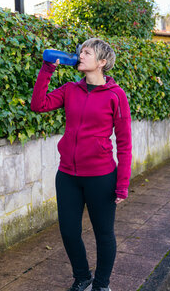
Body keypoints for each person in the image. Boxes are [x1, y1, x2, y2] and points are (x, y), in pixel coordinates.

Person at [31, 38, 132, 291]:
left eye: (87, 52)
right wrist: (47, 70)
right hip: (67, 175)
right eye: (81, 51)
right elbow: (38, 105)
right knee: (68, 231)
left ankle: (101, 284)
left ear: (102, 62)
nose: (81, 55)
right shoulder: (69, 90)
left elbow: (125, 143)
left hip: (101, 176)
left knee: (104, 234)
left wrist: (122, 184)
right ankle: (82, 277)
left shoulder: (116, 96)